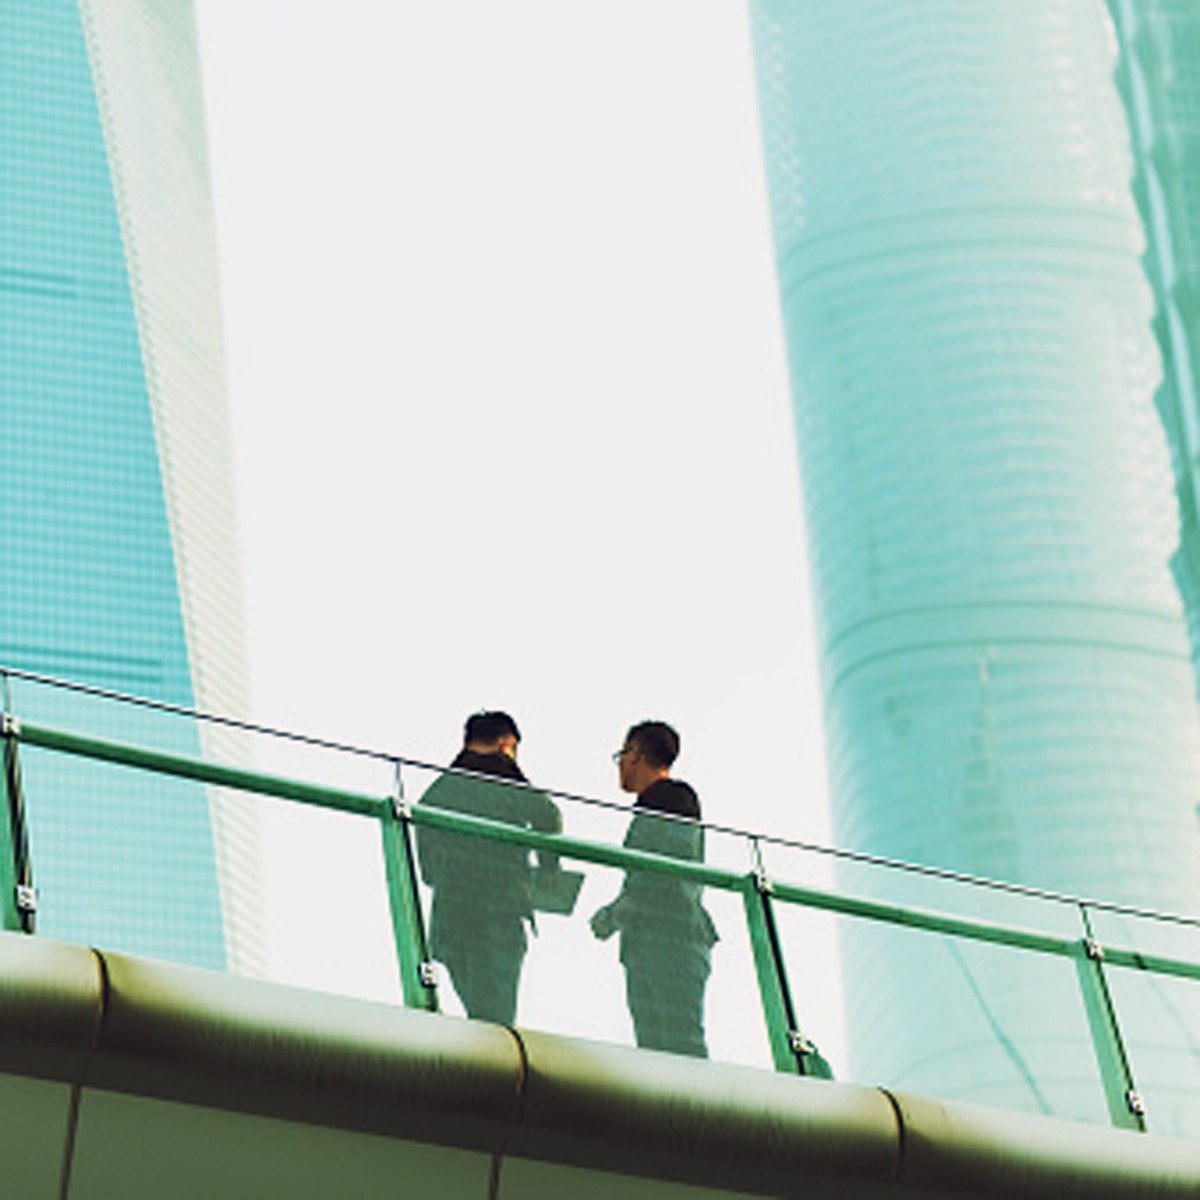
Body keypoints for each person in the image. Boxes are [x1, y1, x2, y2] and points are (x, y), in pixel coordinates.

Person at [416, 711, 561, 1025]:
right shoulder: (505, 777)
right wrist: (549, 868)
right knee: (497, 1020)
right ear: (506, 744)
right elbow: (548, 816)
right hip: (497, 915)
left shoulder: (436, 792)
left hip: (450, 920)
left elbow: (426, 869)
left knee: (478, 1014)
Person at [590, 720, 717, 1058]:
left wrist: (616, 912)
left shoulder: (673, 799)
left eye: (622, 753)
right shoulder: (655, 804)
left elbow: (665, 874)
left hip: (672, 940)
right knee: (656, 1055)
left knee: (679, 1046)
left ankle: (698, 1111)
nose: (619, 762)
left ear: (637, 754)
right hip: (652, 942)